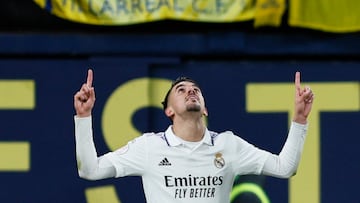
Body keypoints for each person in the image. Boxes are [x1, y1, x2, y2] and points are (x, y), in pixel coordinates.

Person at [73, 69, 314, 203]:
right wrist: (84, 117)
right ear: (168, 110)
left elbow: (285, 167)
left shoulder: (228, 144)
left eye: (195, 90)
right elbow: (89, 170)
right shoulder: (148, 147)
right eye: (181, 90)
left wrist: (300, 119)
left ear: (205, 109)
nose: (190, 92)